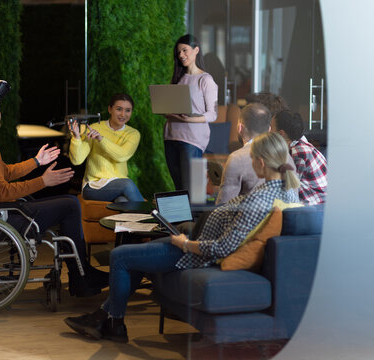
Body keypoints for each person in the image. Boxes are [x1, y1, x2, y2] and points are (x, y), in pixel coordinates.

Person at [64, 132, 299, 343]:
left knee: (120, 257)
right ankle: (107, 319)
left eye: (252, 158)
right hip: (196, 241)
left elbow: (222, 248)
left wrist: (186, 243)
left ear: (260, 162)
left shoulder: (260, 200)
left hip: (195, 254)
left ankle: (111, 322)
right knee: (137, 255)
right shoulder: (284, 190)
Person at [0, 83, 108, 297]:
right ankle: (80, 276)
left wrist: (36, 161)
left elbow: (6, 173)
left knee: (69, 202)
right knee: (70, 204)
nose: (1, 113)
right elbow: (2, 192)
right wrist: (43, 181)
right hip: (1, 216)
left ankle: (81, 274)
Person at [164, 34, 218, 192]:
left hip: (192, 140)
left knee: (193, 191)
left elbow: (213, 114)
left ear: (196, 50)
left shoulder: (205, 80)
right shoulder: (178, 78)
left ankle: (195, 217)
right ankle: (183, 217)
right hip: (171, 137)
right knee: (179, 189)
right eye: (178, 52)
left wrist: (191, 120)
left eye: (184, 50)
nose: (181, 55)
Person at [68, 93, 144, 202]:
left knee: (122, 201)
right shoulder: (94, 128)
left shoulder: (133, 134)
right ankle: (153, 216)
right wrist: (76, 137)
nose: (123, 114)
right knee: (127, 184)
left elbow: (122, 156)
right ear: (110, 109)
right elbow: (77, 160)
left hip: (118, 186)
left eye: (128, 110)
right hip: (93, 186)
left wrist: (101, 139)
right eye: (119, 109)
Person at [216, 103, 294, 204]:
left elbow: (223, 206)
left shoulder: (237, 158)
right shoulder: (286, 156)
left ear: (240, 128)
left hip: (248, 218)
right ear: (269, 129)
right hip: (282, 219)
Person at [272, 110, 327, 205]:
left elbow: (289, 189)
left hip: (313, 209)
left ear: (281, 134)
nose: (268, 132)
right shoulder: (302, 146)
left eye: (271, 128)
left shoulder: (299, 152)